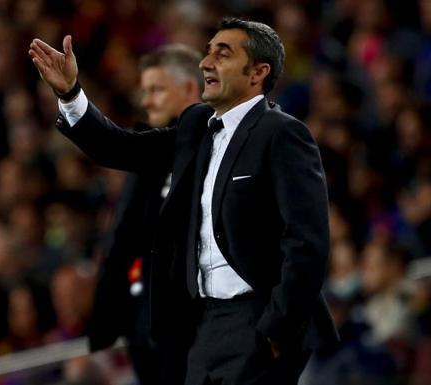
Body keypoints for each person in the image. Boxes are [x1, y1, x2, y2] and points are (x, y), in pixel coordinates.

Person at [29, 17, 339, 385]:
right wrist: (70, 94)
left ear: (258, 71)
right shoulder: (197, 126)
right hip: (206, 324)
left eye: (222, 55)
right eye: (207, 53)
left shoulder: (283, 133)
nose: (206, 62)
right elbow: (123, 149)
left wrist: (278, 325)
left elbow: (307, 241)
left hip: (259, 317)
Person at [87, 45, 202, 385]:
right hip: (144, 323)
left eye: (157, 90)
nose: (146, 100)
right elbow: (123, 239)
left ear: (189, 90)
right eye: (144, 90)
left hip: (193, 326)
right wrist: (109, 317)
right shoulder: (147, 154)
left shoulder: (214, 149)